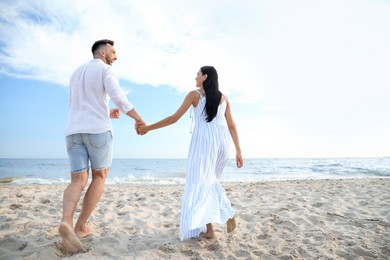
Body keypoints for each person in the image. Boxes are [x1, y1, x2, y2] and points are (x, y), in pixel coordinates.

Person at [59, 39, 145, 253]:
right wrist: (138, 118)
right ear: (102, 53)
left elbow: (79, 106)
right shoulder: (105, 70)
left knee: (78, 179)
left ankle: (66, 222)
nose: (115, 56)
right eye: (113, 52)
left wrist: (106, 113)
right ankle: (80, 227)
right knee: (99, 176)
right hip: (98, 132)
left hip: (73, 131)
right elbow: (119, 97)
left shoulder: (76, 72)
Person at [138, 66, 243, 240]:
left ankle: (219, 219)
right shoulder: (224, 99)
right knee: (209, 181)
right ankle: (216, 221)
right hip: (223, 144)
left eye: (198, 74)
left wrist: (148, 128)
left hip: (204, 142)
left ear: (205, 77)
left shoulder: (195, 95)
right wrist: (239, 151)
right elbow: (232, 125)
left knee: (199, 181)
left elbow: (174, 118)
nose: (195, 77)